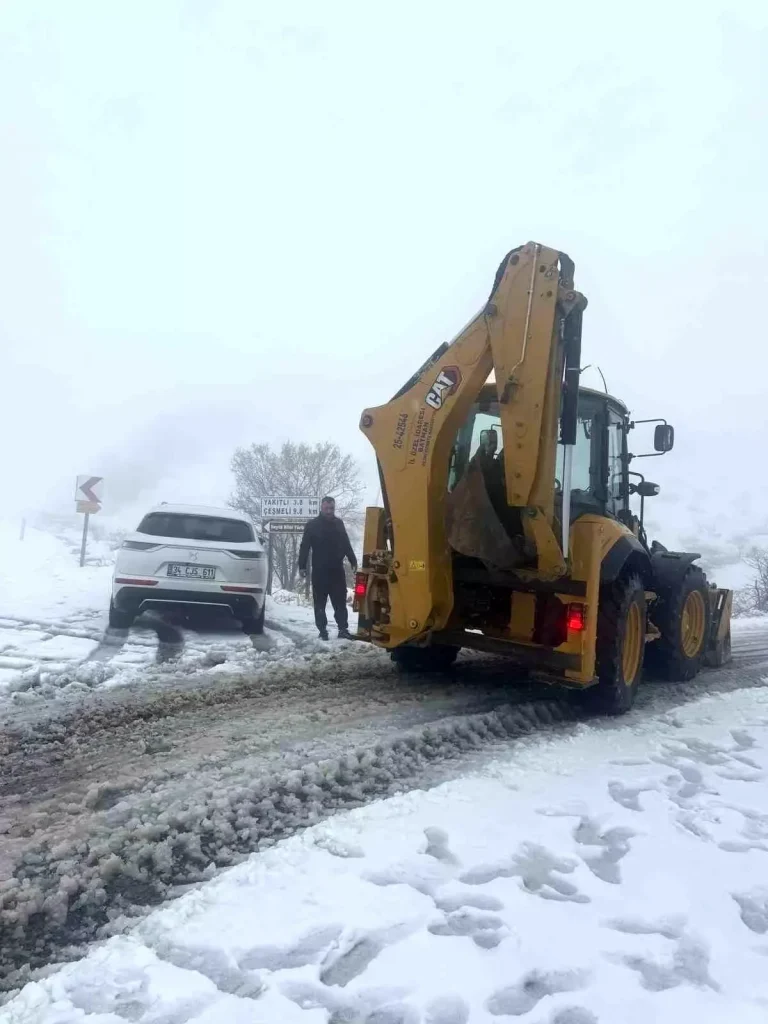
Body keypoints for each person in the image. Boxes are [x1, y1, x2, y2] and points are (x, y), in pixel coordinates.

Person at [298, 496, 357, 640]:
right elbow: (304, 546)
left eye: (332, 508)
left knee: (340, 602)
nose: (329, 511)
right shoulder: (312, 525)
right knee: (320, 603)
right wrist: (302, 565)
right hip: (319, 571)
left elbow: (346, 543)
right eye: (326, 508)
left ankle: (343, 629)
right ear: (321, 508)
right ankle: (322, 630)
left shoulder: (339, 524)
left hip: (337, 570)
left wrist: (353, 560)